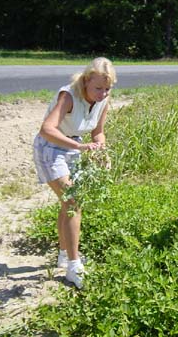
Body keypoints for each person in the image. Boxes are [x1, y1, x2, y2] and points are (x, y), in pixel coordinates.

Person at [33, 57, 117, 288]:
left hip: (73, 148)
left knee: (67, 202)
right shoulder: (69, 96)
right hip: (51, 148)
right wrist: (79, 147)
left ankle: (64, 254)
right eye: (98, 88)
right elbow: (47, 129)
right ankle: (73, 265)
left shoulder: (103, 101)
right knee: (72, 201)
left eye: (107, 89)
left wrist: (102, 152)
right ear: (86, 81)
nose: (102, 94)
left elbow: (98, 133)